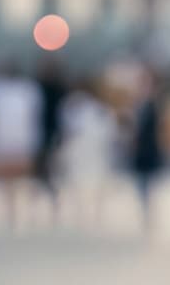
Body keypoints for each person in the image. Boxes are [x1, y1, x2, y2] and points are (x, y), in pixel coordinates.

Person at [0, 57, 44, 229]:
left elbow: (33, 119)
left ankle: (20, 215)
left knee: (20, 182)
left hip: (20, 141)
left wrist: (34, 143)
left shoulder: (27, 90)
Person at [57, 78, 120, 228]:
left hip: (93, 151)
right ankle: (84, 212)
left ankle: (94, 213)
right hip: (81, 151)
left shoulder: (98, 109)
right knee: (80, 183)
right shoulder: (74, 106)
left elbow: (108, 131)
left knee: (94, 183)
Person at [127, 67, 167, 234]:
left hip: (149, 152)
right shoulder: (137, 106)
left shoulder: (153, 106)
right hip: (139, 153)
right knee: (141, 187)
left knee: (146, 187)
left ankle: (147, 217)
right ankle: (145, 215)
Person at [33, 56, 69, 219]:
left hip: (53, 132)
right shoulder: (39, 88)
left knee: (53, 166)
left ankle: (53, 193)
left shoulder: (58, 89)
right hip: (42, 132)